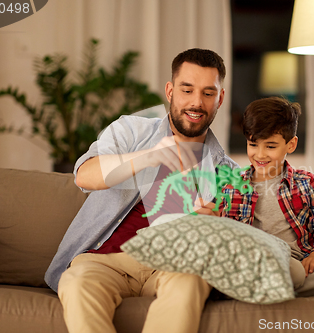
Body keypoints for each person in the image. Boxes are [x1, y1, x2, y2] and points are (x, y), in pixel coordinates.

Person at [45, 48, 237, 333]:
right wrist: (150, 156)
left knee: (192, 280)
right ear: (170, 91)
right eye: (187, 90)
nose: (197, 102)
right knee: (77, 282)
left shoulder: (227, 171)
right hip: (105, 260)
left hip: (174, 266)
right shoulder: (130, 131)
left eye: (208, 93)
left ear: (220, 98)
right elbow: (85, 176)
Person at [220, 96, 314, 296]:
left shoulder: (306, 182)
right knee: (293, 274)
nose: (260, 154)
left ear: (291, 145)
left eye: (270, 146)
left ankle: (258, 292)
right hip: (256, 261)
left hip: (297, 264)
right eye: (253, 144)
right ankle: (275, 289)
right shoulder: (233, 184)